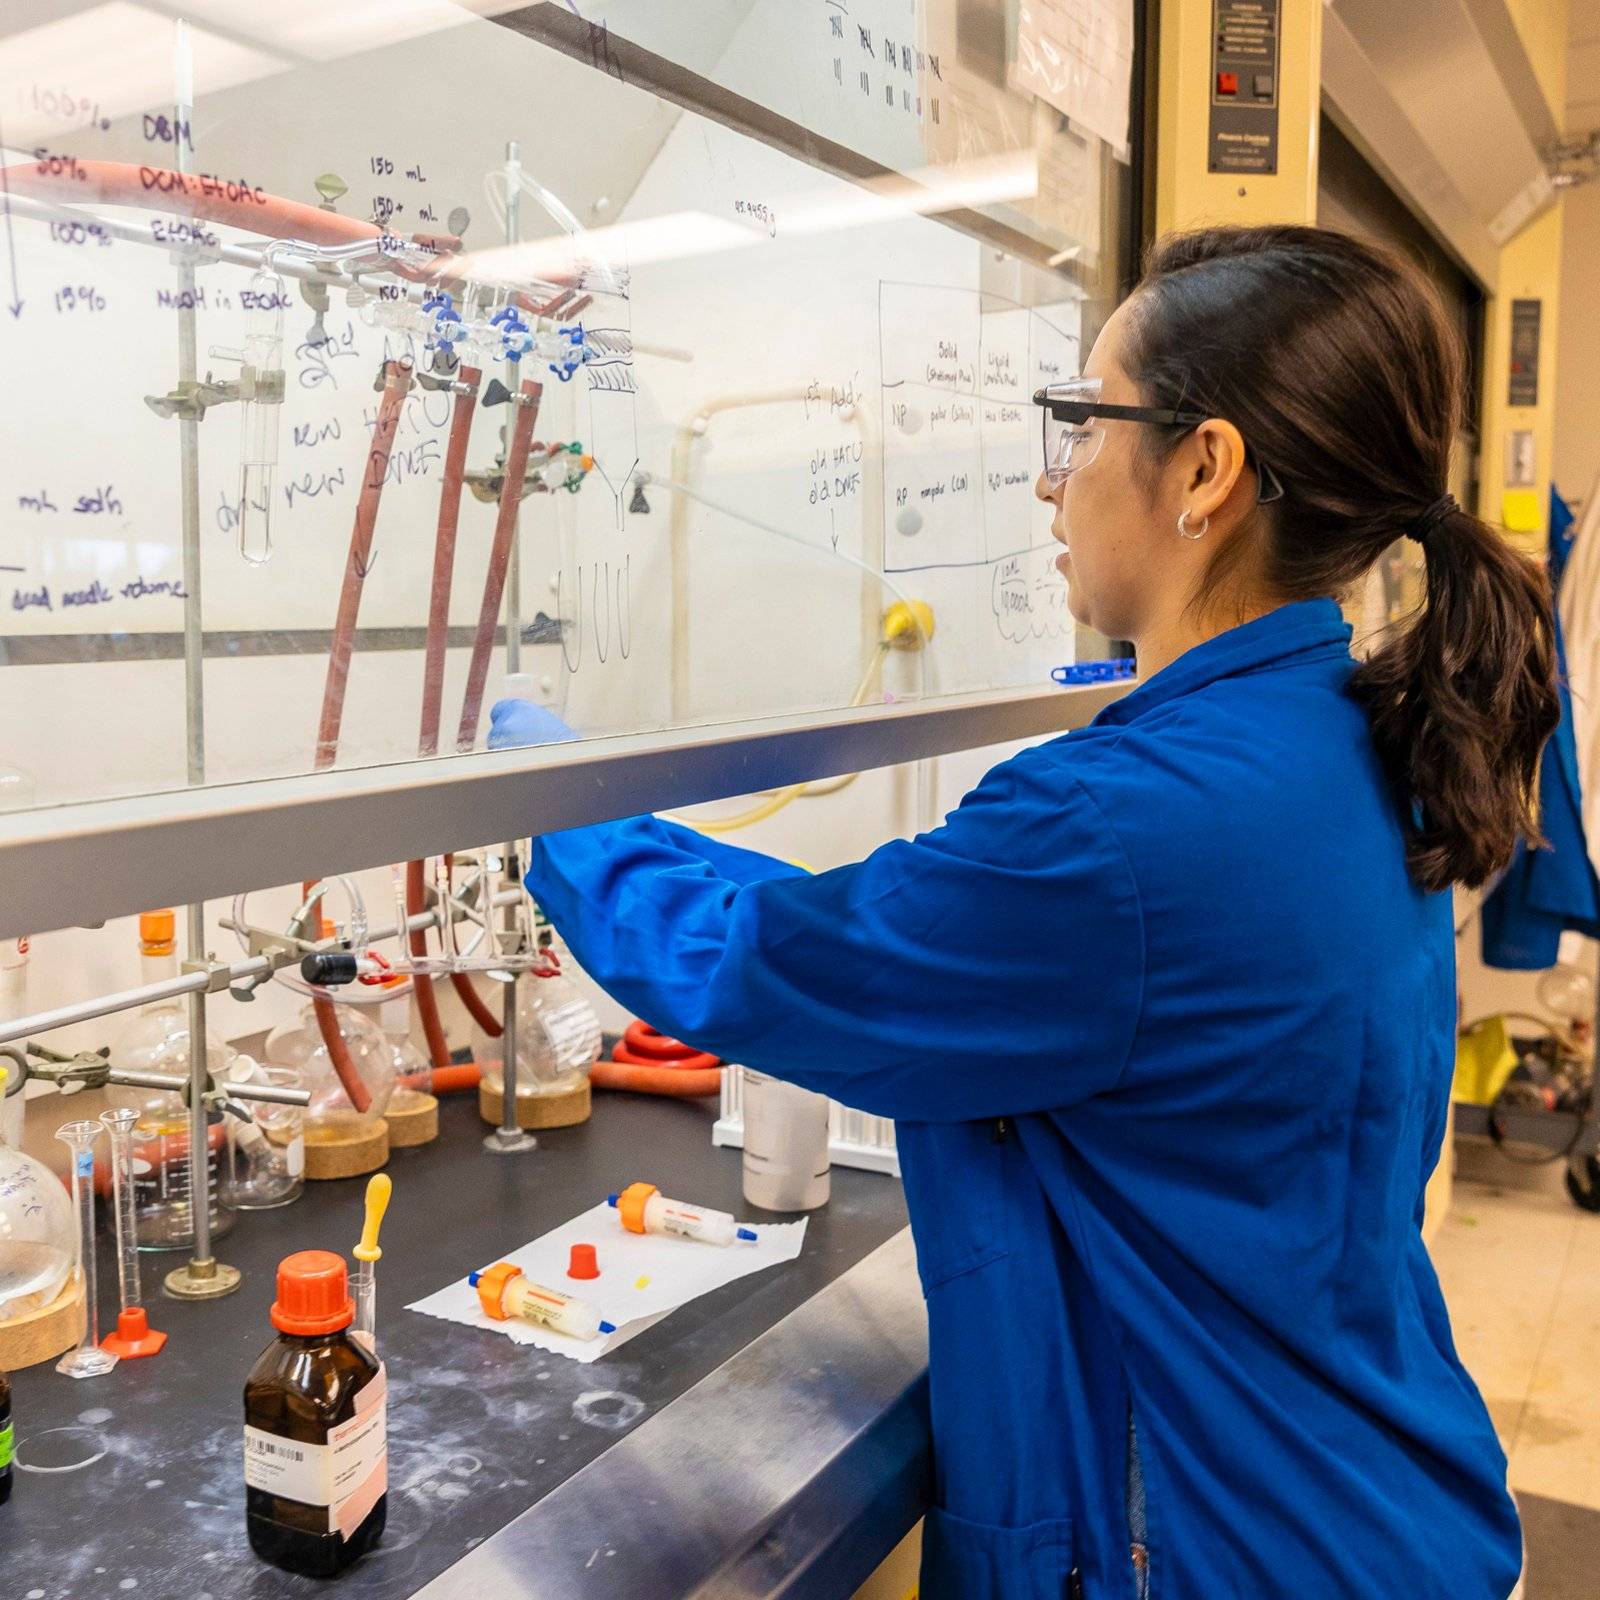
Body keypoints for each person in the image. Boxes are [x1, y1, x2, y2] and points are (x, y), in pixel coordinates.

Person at [490, 226, 1556, 1600]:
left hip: (1218, 1549)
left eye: (1083, 424)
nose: (1054, 479)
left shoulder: (1122, 825)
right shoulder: (1337, 739)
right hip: (1375, 1496)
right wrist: (613, 815)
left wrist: (557, 800)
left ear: (1205, 470)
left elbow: (756, 966)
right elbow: (873, 933)